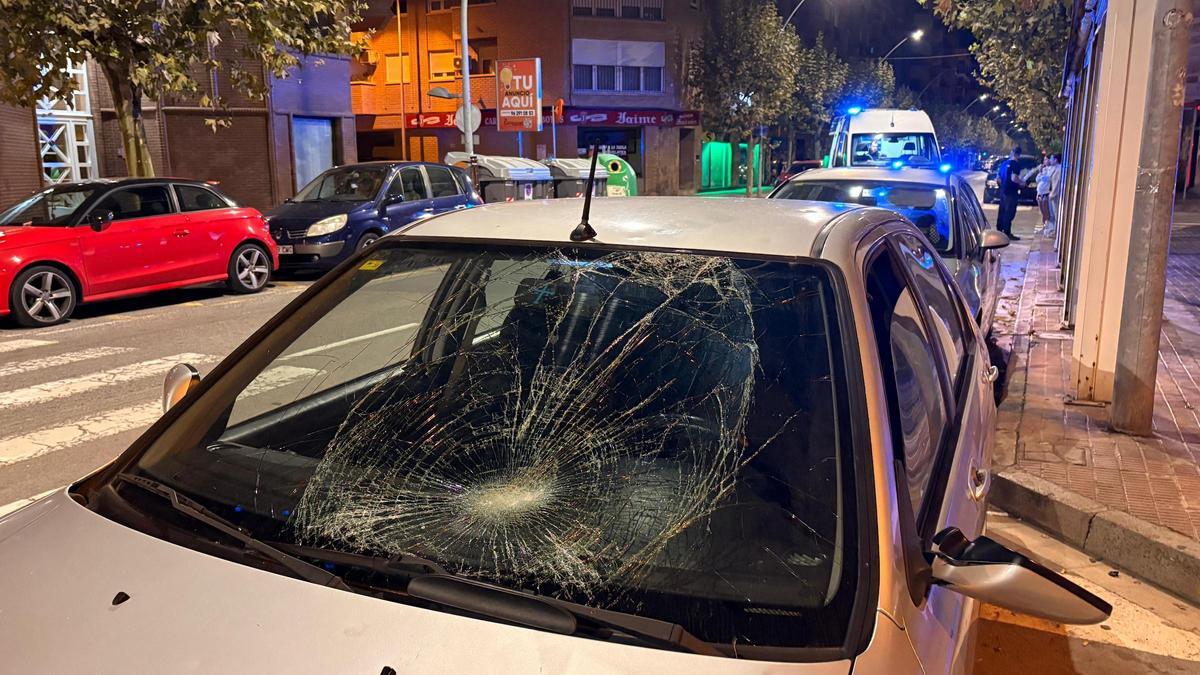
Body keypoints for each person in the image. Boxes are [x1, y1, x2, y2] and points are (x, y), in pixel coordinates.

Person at [995, 146, 1023, 241]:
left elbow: (998, 178)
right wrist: (1021, 182)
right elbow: (1014, 178)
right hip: (1011, 192)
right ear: (1018, 155)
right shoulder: (1016, 165)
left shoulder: (1003, 164)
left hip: (1003, 191)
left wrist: (1002, 187)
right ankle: (1007, 232)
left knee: (1002, 211)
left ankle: (999, 230)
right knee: (1010, 212)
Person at [1045, 154, 1063, 236]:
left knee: (1056, 213)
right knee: (1054, 213)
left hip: (1055, 195)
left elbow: (1057, 183)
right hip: (1053, 194)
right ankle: (1055, 230)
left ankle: (1057, 231)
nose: (1050, 160)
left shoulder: (1059, 169)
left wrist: (1052, 194)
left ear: (1056, 160)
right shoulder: (1055, 169)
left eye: (1051, 159)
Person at [1035, 156, 1053, 231]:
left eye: (1046, 159)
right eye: (1044, 159)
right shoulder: (1043, 169)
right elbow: (1037, 179)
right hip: (1040, 192)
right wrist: (1040, 172)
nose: (1045, 161)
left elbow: (1048, 179)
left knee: (1046, 210)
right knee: (1042, 211)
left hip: (1046, 193)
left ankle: (1048, 226)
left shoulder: (1051, 169)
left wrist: (1042, 176)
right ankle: (1044, 225)